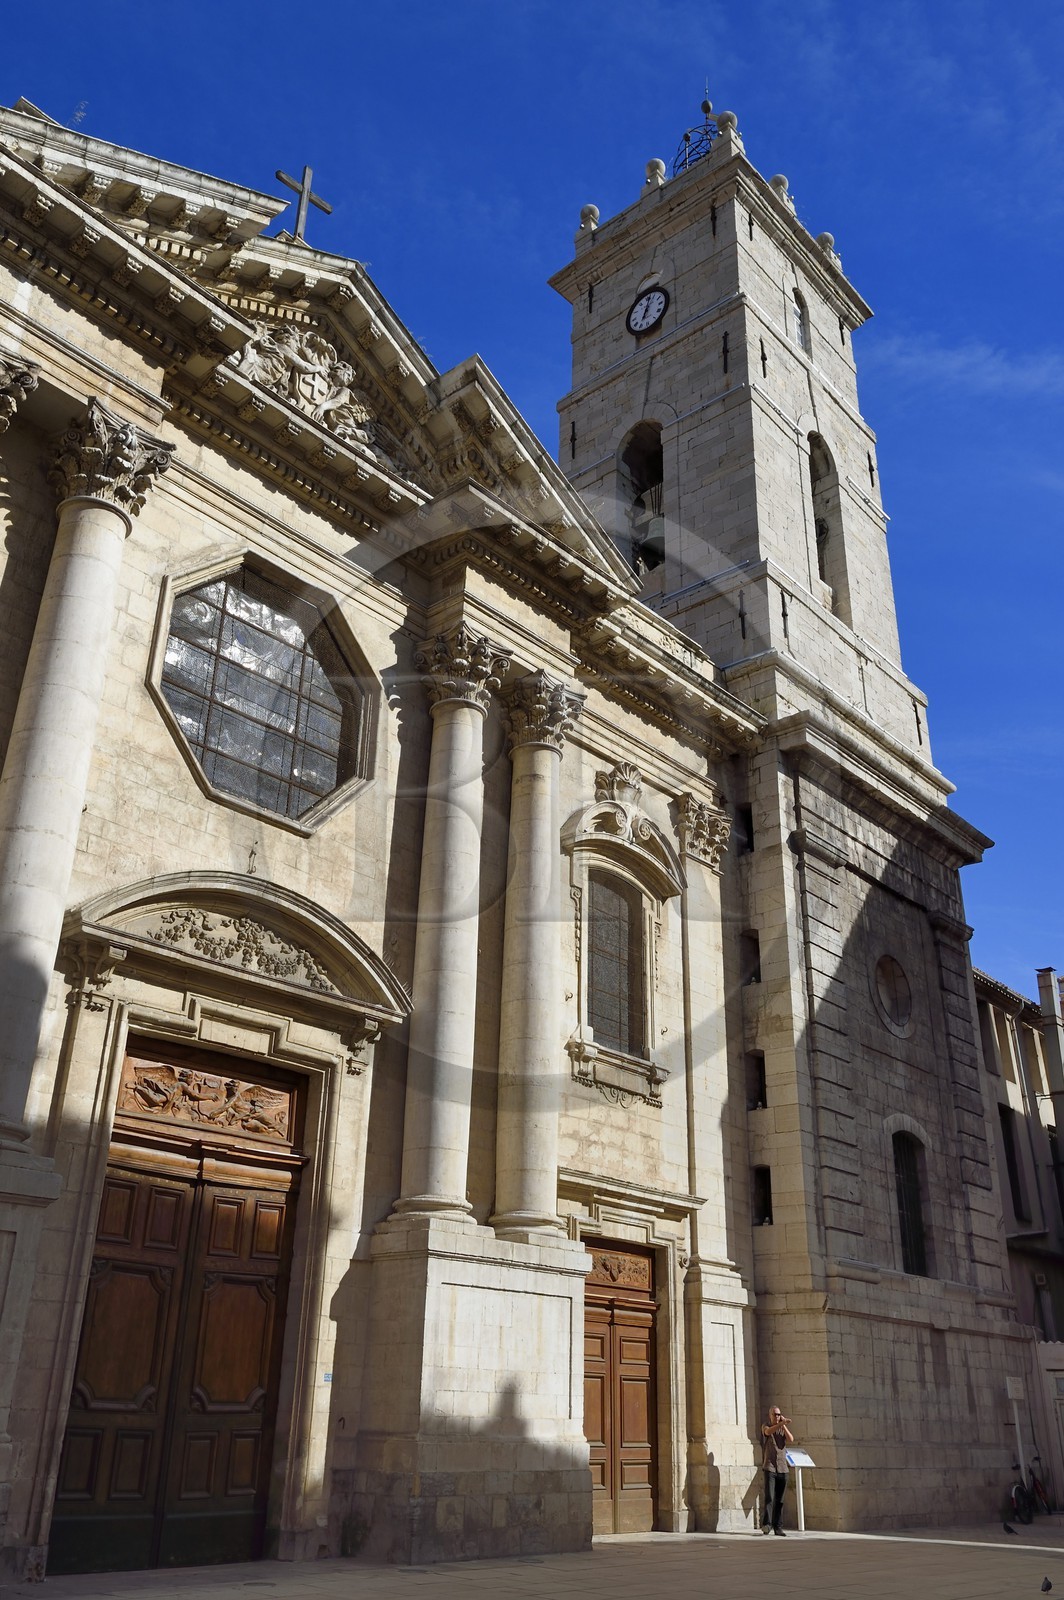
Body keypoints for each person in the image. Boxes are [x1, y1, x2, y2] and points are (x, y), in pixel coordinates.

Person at [761, 1405, 794, 1535]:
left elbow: (791, 1439)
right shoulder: (766, 1425)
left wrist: (784, 1425)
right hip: (770, 1467)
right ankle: (767, 1524)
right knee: (770, 1497)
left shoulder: (782, 1428)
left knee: (780, 1500)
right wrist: (780, 1424)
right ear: (770, 1415)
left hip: (782, 1468)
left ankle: (778, 1526)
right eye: (775, 1414)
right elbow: (767, 1432)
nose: (777, 1416)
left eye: (779, 1414)